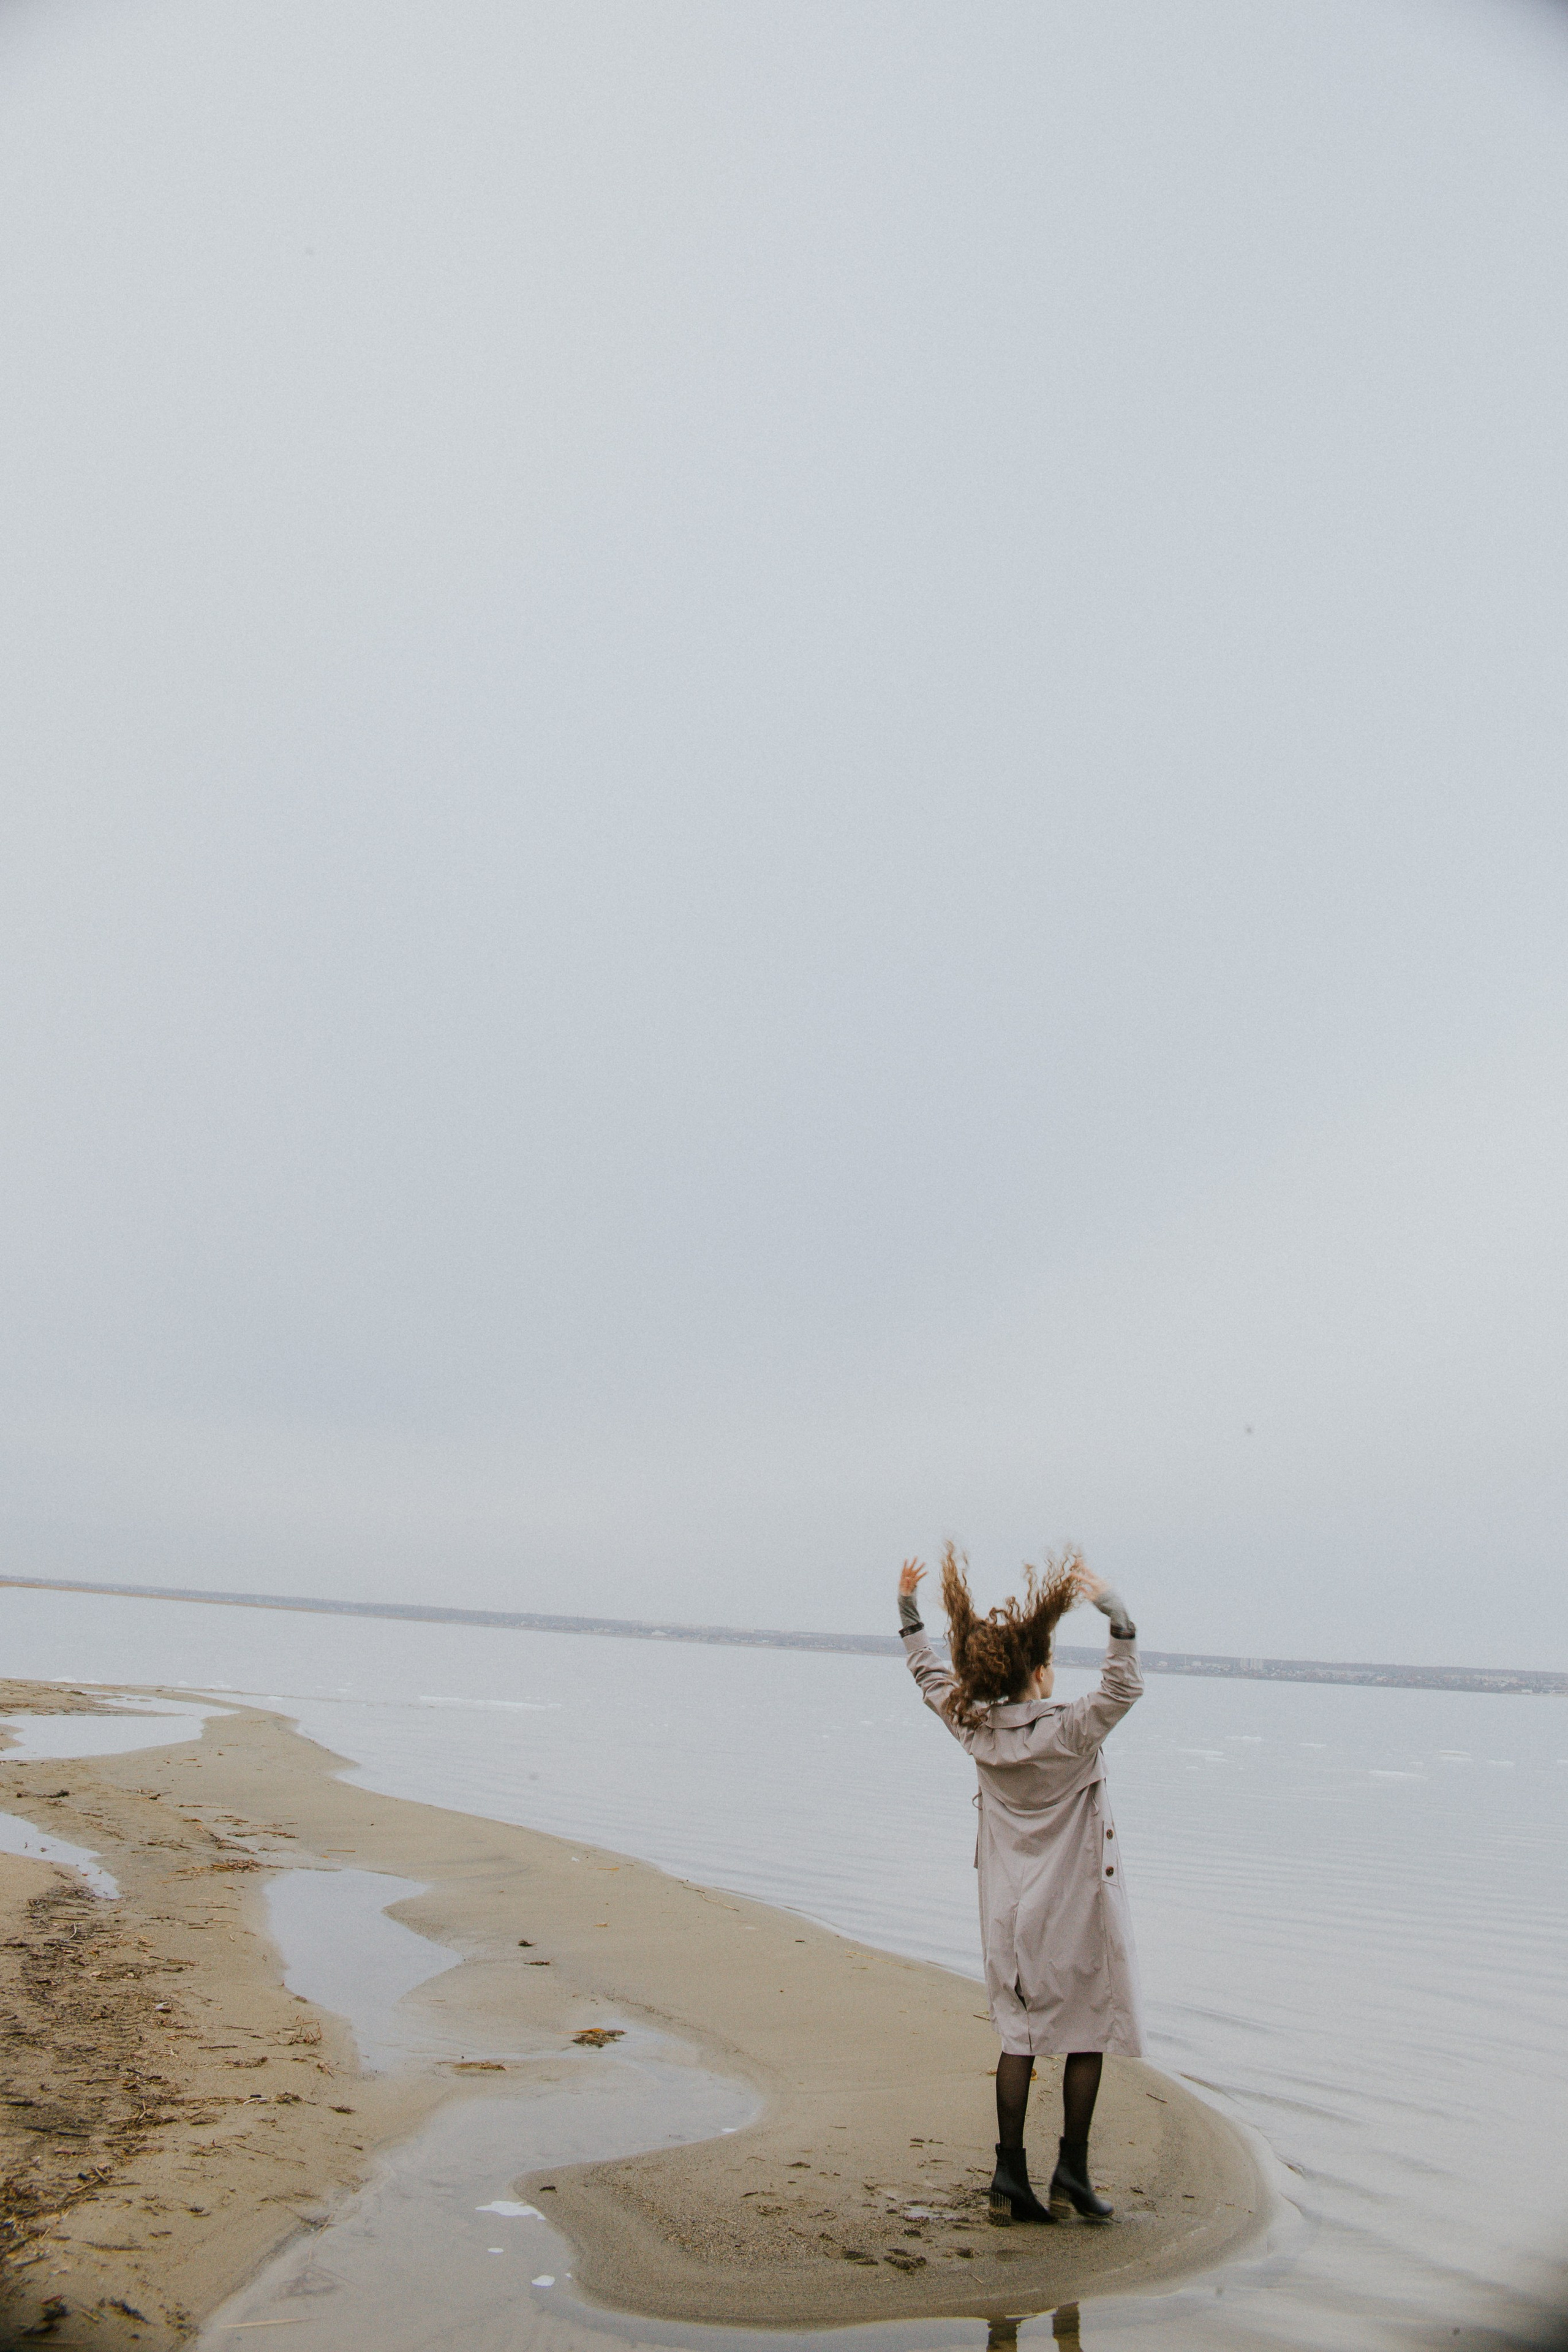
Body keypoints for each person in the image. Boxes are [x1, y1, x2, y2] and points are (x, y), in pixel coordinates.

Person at [897, 1544, 1143, 2226]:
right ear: (1038, 1672)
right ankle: (1071, 2173)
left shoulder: (974, 1729)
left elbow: (929, 1677)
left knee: (1018, 2036)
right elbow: (1122, 1689)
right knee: (1088, 2030)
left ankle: (1009, 2174)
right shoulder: (1069, 1732)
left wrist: (909, 1611)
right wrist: (1117, 1616)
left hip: (1008, 1913)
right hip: (1076, 1909)